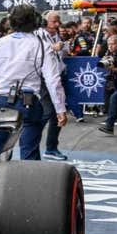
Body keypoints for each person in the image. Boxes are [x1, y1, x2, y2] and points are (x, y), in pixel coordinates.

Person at [0, 3, 67, 163]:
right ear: (36, 22)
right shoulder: (42, 45)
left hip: (2, 101)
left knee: (0, 153)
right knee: (29, 154)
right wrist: (60, 109)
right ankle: (29, 184)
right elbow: (53, 80)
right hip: (29, 102)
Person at [37, 11, 70, 159]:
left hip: (57, 74)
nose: (57, 25)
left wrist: (62, 47)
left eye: (58, 22)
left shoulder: (56, 35)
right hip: (43, 78)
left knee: (56, 114)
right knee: (49, 112)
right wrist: (53, 48)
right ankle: (32, 140)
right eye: (54, 22)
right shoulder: (38, 35)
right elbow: (38, 52)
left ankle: (51, 148)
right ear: (45, 22)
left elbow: (63, 53)